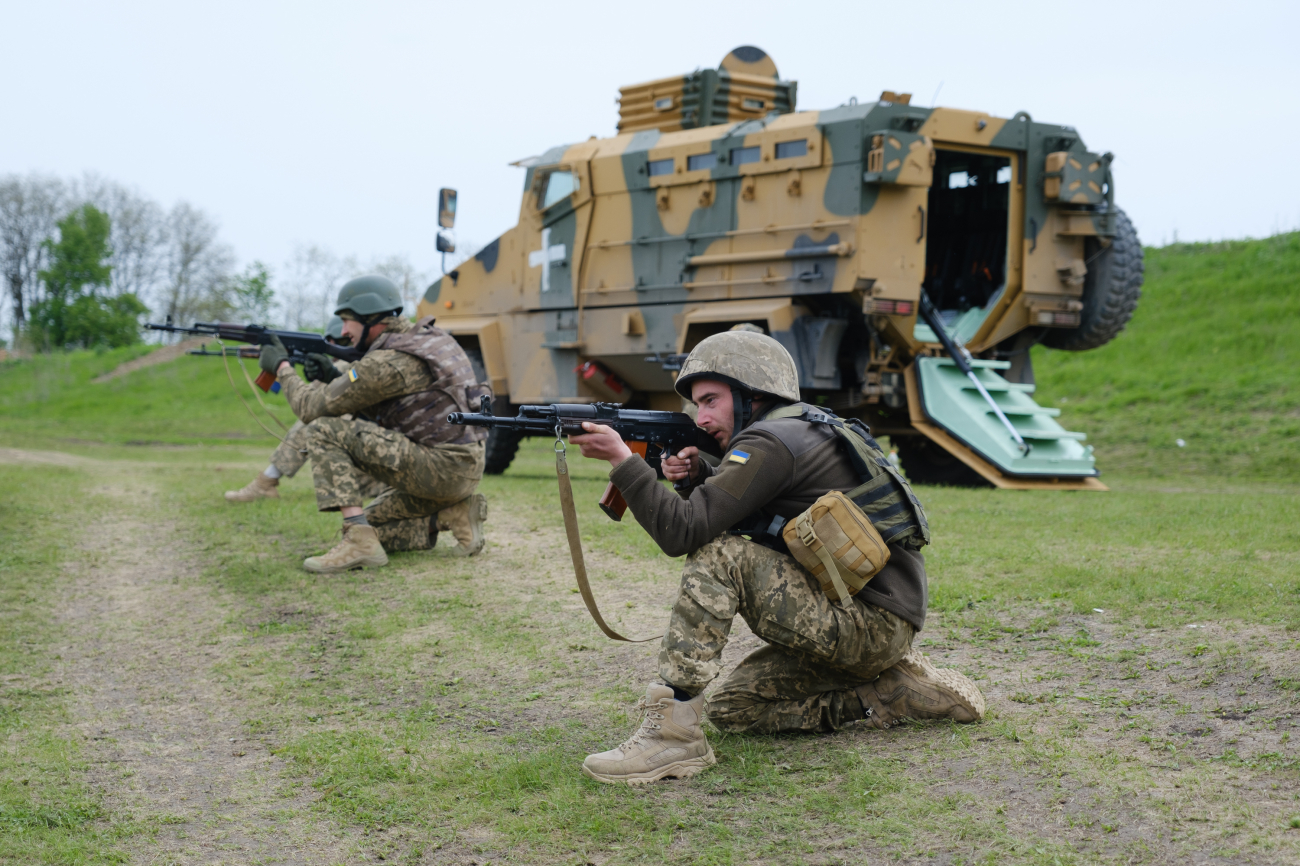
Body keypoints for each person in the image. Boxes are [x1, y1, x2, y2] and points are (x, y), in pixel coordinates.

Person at [569, 330, 985, 785]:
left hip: (868, 624)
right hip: (876, 623)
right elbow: (759, 515)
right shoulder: (799, 428)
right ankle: (885, 692)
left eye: (710, 400)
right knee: (736, 709)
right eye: (696, 405)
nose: (700, 417)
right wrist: (701, 474)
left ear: (753, 393)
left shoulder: (771, 442)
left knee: (719, 555)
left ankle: (673, 738)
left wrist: (623, 461)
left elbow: (684, 532)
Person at [259, 275, 490, 572]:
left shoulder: (387, 362)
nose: (343, 330)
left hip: (439, 468)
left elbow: (310, 408)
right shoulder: (429, 339)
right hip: (461, 467)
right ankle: (451, 514)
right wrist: (333, 376)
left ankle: (358, 541)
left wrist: (282, 367)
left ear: (369, 316)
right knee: (373, 528)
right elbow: (393, 406)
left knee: (322, 431)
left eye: (347, 320)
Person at [225, 316, 385, 503]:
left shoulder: (351, 365)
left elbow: (316, 402)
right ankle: (266, 482)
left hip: (377, 478)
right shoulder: (360, 366)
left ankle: (266, 483)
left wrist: (283, 366)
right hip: (375, 475)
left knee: (315, 420)